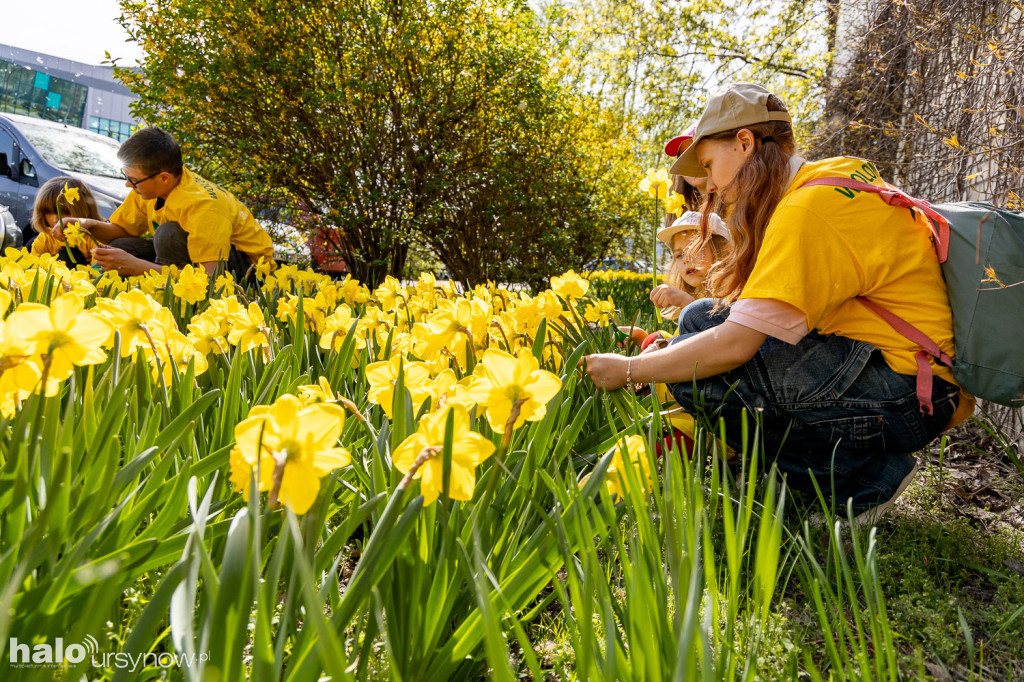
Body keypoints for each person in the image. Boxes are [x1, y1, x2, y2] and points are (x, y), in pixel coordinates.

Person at [585, 82, 975, 523]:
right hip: (904, 371)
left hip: (909, 394)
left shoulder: (807, 211)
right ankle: (841, 467)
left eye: (711, 165)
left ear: (745, 143)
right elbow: (737, 314)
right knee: (698, 317)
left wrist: (629, 370)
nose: (710, 184)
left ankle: (863, 481)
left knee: (697, 378)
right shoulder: (834, 176)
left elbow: (735, 345)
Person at [54, 127, 273, 278]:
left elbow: (210, 278)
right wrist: (86, 224)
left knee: (167, 233)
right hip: (200, 264)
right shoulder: (148, 189)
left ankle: (172, 304)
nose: (128, 186)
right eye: (126, 177)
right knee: (120, 247)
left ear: (164, 177)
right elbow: (121, 230)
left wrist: (136, 267)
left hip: (246, 269)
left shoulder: (204, 206)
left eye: (133, 180)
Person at [649, 210, 729, 321]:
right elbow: (683, 337)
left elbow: (718, 333)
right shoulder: (698, 295)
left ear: (725, 251)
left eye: (695, 249)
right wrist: (644, 336)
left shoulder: (733, 295)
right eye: (679, 255)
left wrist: (687, 303)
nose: (686, 260)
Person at [28, 177, 102, 266]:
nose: (56, 219)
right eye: (48, 211)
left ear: (83, 210)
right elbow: (33, 270)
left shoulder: (93, 238)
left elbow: (99, 271)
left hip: (83, 277)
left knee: (68, 255)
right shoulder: (44, 240)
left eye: (65, 212)